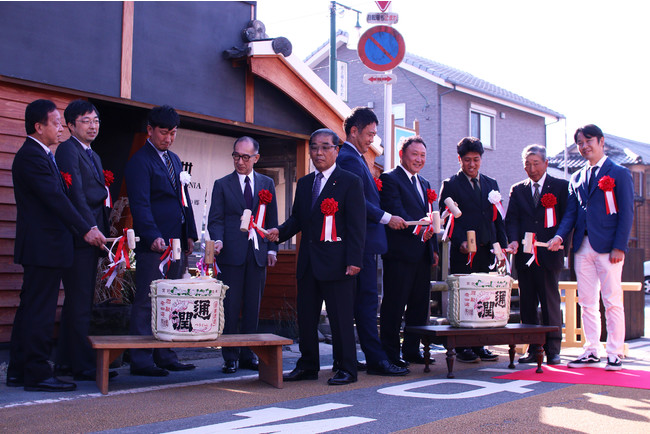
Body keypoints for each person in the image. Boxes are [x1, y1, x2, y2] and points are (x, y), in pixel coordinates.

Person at [7, 99, 105, 392]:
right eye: (56, 123)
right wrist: (85, 228)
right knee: (39, 311)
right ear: (39, 127)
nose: (60, 128)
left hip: (45, 246)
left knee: (30, 308)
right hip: (43, 246)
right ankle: (36, 372)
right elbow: (56, 199)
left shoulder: (42, 155)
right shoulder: (32, 156)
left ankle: (19, 369)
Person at [267, 128, 365, 385]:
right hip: (309, 262)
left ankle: (346, 368)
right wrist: (280, 231)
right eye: (314, 147)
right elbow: (299, 219)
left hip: (339, 264)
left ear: (337, 151)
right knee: (306, 316)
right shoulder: (306, 183)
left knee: (341, 318)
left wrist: (354, 260)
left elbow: (357, 225)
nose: (318, 152)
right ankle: (308, 364)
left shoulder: (350, 181)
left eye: (325, 147)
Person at [548, 124, 634, 371]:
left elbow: (626, 213)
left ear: (601, 141)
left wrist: (620, 246)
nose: (584, 146)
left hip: (609, 248)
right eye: (580, 143)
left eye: (588, 141)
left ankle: (615, 352)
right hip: (582, 246)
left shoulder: (619, 173)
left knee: (612, 300)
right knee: (586, 301)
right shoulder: (576, 177)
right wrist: (560, 237)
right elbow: (570, 215)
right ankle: (591, 350)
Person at [125, 105, 198, 376]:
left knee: (172, 298)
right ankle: (141, 360)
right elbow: (140, 205)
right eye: (164, 133)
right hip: (154, 243)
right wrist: (153, 236)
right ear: (150, 130)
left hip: (177, 241)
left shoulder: (175, 160)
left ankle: (166, 353)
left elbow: (184, 199)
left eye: (173, 133)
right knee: (147, 298)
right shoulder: (139, 161)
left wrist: (189, 232)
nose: (168, 138)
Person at [336, 107, 409, 375]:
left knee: (360, 302)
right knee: (365, 302)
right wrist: (386, 218)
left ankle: (351, 357)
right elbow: (357, 201)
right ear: (353, 131)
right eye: (369, 134)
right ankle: (376, 359)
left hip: (364, 241)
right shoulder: (349, 158)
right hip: (360, 242)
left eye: (375, 134)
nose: (372, 140)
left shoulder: (355, 157)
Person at [54, 100, 115, 381]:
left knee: (81, 302)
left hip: (94, 235)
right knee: (78, 302)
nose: (93, 126)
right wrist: (89, 227)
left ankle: (70, 361)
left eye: (96, 121)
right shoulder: (68, 150)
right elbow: (75, 194)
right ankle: (79, 364)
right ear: (70, 125)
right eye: (86, 121)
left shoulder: (93, 154)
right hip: (80, 235)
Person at [208, 136, 278, 374]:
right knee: (230, 305)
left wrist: (272, 249)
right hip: (231, 252)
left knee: (252, 306)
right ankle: (230, 356)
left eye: (245, 157)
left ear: (256, 158)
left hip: (257, 252)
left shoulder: (266, 183)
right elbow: (215, 219)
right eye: (236, 156)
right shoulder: (222, 184)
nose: (240, 161)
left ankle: (250, 353)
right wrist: (217, 240)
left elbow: (272, 219)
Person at [439, 137, 507, 363]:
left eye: (476, 160)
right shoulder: (450, 184)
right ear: (459, 159)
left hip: (487, 249)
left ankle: (480, 344)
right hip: (463, 251)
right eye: (466, 160)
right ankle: (462, 346)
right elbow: (446, 219)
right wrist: (459, 241)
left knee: (484, 297)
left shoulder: (491, 184)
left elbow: (498, 219)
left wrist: (502, 246)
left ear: (481, 159)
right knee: (465, 297)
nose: (471, 165)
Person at [505, 145, 568, 365]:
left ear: (546, 163)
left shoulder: (560, 187)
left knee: (550, 301)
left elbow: (567, 218)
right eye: (527, 164)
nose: (531, 169)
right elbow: (511, 219)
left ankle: (553, 349)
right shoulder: (518, 189)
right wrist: (512, 239)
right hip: (524, 254)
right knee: (527, 302)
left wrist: (559, 238)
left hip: (549, 253)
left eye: (536, 163)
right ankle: (532, 347)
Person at [379, 136, 439, 364]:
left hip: (422, 252)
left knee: (419, 304)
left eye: (422, 155)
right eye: (414, 154)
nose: (419, 159)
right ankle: (391, 353)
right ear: (402, 154)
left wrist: (432, 248)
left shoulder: (424, 183)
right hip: (399, 252)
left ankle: (412, 349)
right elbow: (396, 209)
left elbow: (430, 217)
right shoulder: (390, 178)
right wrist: (420, 230)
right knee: (395, 303)